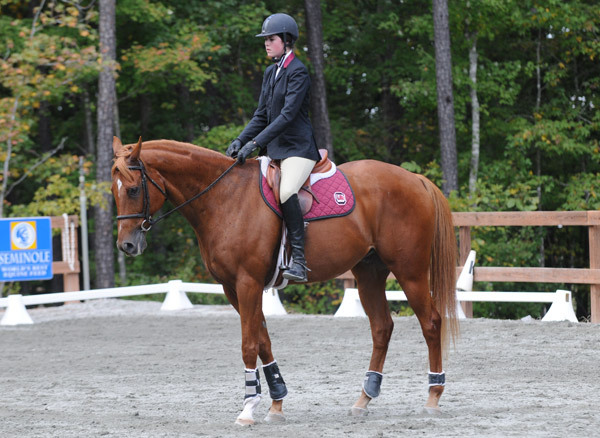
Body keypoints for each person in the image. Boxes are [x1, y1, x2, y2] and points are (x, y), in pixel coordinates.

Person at [226, 13, 320, 283]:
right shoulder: (271, 72)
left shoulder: (298, 72)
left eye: (271, 39)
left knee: (287, 189)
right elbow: (262, 114)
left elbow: (287, 116)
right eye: (265, 40)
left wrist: (256, 144)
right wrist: (241, 140)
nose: (266, 44)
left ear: (286, 41)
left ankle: (299, 261)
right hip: (275, 149)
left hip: (298, 149)